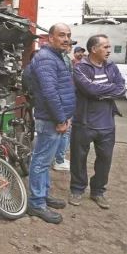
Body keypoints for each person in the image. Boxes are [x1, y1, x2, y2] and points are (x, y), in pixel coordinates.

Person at [69, 34, 125, 209]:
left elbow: (121, 88)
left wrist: (101, 92)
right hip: (84, 122)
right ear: (94, 49)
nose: (109, 50)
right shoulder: (80, 68)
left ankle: (98, 191)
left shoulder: (111, 66)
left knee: (105, 159)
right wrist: (108, 90)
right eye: (105, 47)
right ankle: (77, 189)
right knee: (79, 158)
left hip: (107, 123)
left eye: (109, 47)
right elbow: (90, 90)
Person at [27, 23, 75, 224]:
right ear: (50, 38)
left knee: (44, 161)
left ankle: (43, 195)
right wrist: (60, 119)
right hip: (50, 120)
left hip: (55, 118)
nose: (66, 39)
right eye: (61, 35)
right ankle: (36, 204)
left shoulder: (56, 57)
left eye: (68, 35)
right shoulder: (46, 58)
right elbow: (50, 92)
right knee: (40, 161)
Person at [53, 40, 74, 171]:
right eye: (69, 45)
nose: (70, 47)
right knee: (65, 131)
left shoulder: (64, 58)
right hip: (63, 101)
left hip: (64, 100)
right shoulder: (62, 59)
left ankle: (59, 158)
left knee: (64, 132)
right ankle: (59, 160)